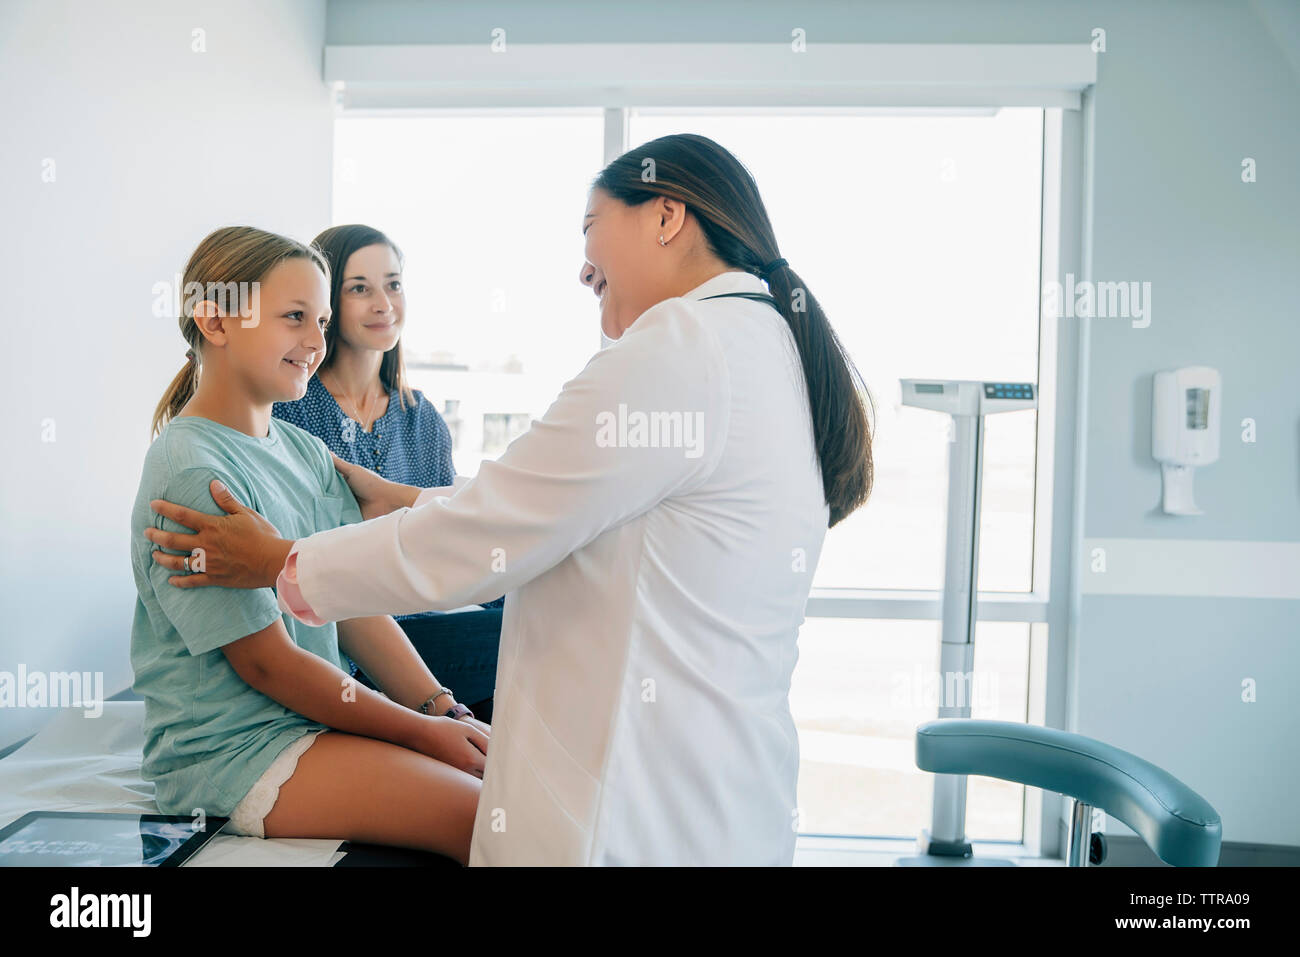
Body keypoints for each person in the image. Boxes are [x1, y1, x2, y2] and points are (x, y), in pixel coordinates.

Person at [145, 135, 875, 865]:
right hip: (709, 783)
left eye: (591, 231)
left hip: (657, 793)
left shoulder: (682, 349)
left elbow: (501, 522)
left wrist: (289, 568)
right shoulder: (755, 342)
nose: (583, 267)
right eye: (297, 315)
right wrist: (426, 711)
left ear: (665, 216)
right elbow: (535, 507)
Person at [132, 226, 488, 864]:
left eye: (321, 320)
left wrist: (443, 710)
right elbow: (268, 664)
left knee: (520, 791)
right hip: (235, 751)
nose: (317, 342)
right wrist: (425, 736)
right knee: (488, 822)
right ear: (214, 320)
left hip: (310, 725)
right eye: (294, 317)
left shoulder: (303, 450)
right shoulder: (192, 470)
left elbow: (343, 597)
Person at [272, 224, 503, 721]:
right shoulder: (292, 410)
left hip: (439, 609)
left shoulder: (421, 417)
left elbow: (451, 538)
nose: (383, 303)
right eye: (360, 288)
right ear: (328, 304)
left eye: (393, 284)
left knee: (535, 600)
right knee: (525, 634)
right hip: (362, 636)